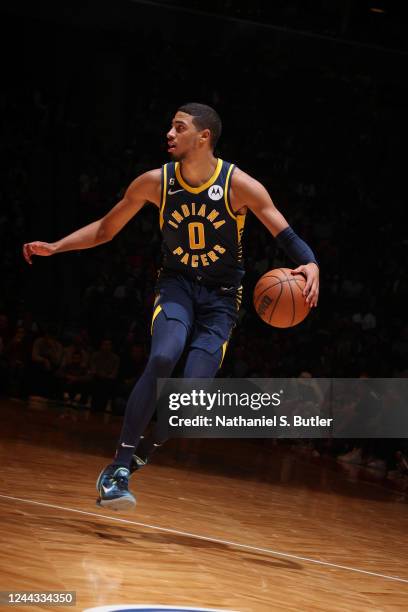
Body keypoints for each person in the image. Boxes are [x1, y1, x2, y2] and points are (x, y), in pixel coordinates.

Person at [23, 102, 319, 510]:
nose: (169, 133)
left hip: (220, 299)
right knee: (163, 356)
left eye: (179, 128)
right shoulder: (154, 182)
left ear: (203, 137)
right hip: (177, 285)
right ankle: (119, 467)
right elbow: (106, 229)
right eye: (170, 127)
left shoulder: (239, 185)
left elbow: (286, 235)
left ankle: (145, 448)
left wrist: (311, 264)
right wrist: (57, 246)